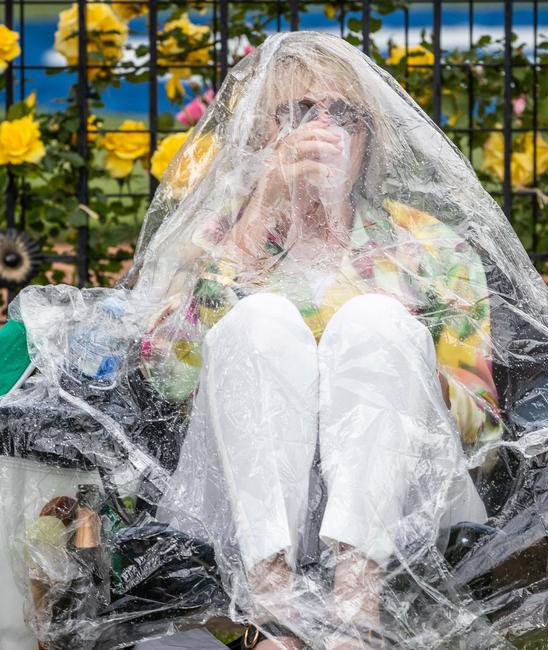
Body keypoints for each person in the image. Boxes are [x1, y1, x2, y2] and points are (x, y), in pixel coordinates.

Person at [145, 39, 499, 650]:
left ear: (370, 138)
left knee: (374, 324)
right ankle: (273, 606)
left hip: (400, 509)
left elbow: (480, 428)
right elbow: (165, 383)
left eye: (345, 114)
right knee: (260, 323)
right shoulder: (218, 237)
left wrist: (381, 376)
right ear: (261, 137)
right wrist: (262, 210)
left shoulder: (428, 247)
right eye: (298, 112)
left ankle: (355, 604)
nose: (325, 129)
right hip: (239, 511)